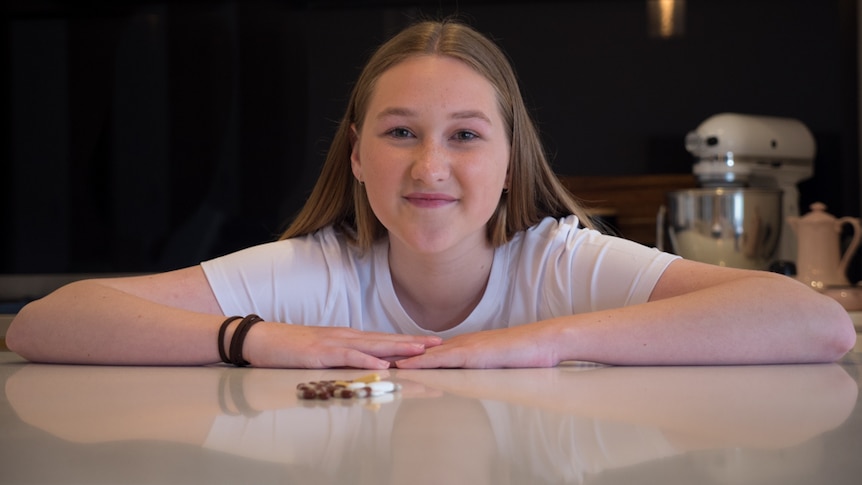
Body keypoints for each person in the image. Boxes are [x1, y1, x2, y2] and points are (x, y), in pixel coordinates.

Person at [6, 19, 856, 369]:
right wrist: (261, 340)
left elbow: (814, 322)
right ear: (358, 157)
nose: (430, 167)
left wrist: (539, 343)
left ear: (512, 160)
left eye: (465, 135)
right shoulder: (315, 272)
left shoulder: (559, 262)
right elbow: (45, 322)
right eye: (401, 132)